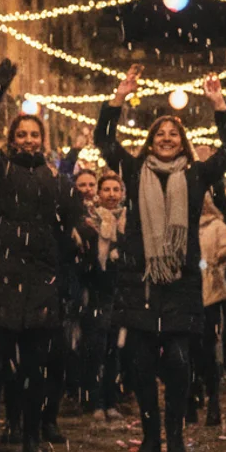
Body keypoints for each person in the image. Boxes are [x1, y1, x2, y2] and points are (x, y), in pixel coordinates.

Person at [95, 66, 226, 452]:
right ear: (149, 142)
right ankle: (149, 440)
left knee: (178, 363)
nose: (165, 138)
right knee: (140, 365)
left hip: (179, 281)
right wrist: (118, 97)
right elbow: (103, 140)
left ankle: (175, 437)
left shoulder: (196, 174)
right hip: (139, 281)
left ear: (183, 143)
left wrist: (220, 105)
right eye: (159, 134)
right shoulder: (133, 169)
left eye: (173, 134)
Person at [0, 60, 84, 452]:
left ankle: (31, 436)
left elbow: (65, 234)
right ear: (12, 139)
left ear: (43, 141)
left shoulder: (58, 183)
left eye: (34, 134)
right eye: (22, 134)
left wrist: (63, 267)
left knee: (34, 369)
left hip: (39, 286)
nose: (28, 139)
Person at [83, 173, 126, 421]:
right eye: (106, 190)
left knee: (116, 350)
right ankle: (96, 401)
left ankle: (112, 400)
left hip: (120, 294)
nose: (111, 194)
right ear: (99, 194)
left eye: (116, 190)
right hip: (98, 294)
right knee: (97, 349)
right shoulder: (90, 222)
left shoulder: (128, 222)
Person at [195, 190, 226, 427]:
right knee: (189, 348)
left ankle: (213, 400)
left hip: (210, 290)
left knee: (208, 346)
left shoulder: (216, 225)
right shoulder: (182, 223)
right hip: (188, 292)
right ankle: (191, 395)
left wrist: (218, 258)